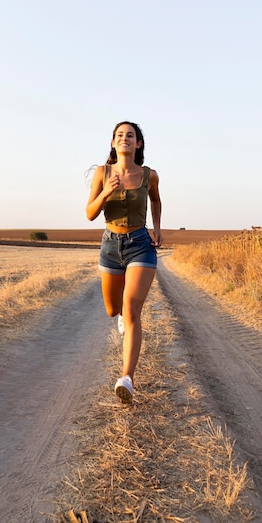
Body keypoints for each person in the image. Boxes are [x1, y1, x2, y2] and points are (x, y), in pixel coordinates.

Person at [86, 121, 162, 404]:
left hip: (140, 245)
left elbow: (155, 200)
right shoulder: (102, 173)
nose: (125, 139)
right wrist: (106, 191)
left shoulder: (149, 175)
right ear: (113, 142)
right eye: (120, 135)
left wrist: (157, 227)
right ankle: (121, 318)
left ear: (138, 144)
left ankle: (126, 378)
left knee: (132, 311)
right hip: (110, 246)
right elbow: (90, 213)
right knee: (113, 310)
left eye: (130, 135)